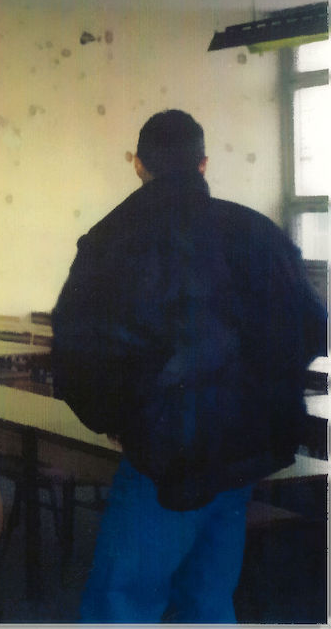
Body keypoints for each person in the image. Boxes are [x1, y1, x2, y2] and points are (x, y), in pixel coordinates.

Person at [51, 109, 327, 623]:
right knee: (208, 599)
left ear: (139, 165)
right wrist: (257, 394)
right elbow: (312, 327)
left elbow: (74, 350)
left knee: (123, 600)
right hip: (241, 453)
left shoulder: (111, 240)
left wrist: (117, 419)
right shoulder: (254, 231)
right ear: (203, 164)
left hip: (164, 458)